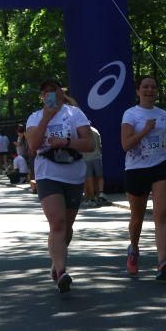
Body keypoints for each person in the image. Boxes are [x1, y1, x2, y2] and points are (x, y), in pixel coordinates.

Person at [26, 78, 94, 293]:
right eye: (45, 92)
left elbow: (90, 144)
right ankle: (62, 270)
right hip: (48, 173)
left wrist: (66, 142)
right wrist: (46, 117)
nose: (50, 94)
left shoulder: (75, 114)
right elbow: (33, 145)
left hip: (73, 174)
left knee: (66, 227)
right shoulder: (35, 117)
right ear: (42, 97)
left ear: (61, 93)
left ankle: (56, 263)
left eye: (53, 90)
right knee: (57, 223)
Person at [121, 76, 166, 279]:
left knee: (161, 215)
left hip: (161, 166)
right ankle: (134, 248)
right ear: (138, 91)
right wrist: (145, 130)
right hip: (136, 169)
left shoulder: (163, 114)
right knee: (137, 218)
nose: (150, 90)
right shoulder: (130, 114)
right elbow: (125, 145)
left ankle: (162, 262)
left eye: (153, 87)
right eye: (145, 87)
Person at [83, 123, 105, 206]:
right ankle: (100, 194)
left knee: (89, 178)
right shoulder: (96, 131)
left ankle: (91, 198)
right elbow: (100, 145)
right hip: (97, 156)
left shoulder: (81, 132)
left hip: (86, 157)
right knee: (99, 176)